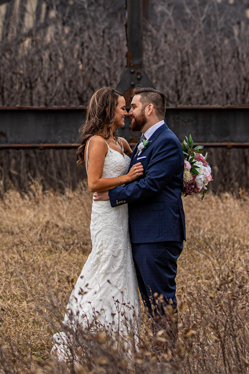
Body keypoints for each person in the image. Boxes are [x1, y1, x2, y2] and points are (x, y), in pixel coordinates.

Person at [52, 87, 144, 359]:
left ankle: (119, 337)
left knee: (121, 268)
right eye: (121, 108)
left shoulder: (122, 143)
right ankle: (86, 334)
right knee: (105, 265)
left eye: (127, 107)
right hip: (106, 216)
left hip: (123, 214)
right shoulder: (97, 143)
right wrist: (125, 180)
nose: (126, 112)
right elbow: (94, 184)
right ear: (107, 110)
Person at [94, 87, 186, 332]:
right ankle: (162, 356)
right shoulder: (147, 141)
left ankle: (169, 360)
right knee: (152, 303)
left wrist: (112, 195)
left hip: (158, 235)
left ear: (149, 109)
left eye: (133, 107)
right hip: (144, 233)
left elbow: (151, 185)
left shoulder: (166, 141)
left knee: (161, 302)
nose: (128, 112)